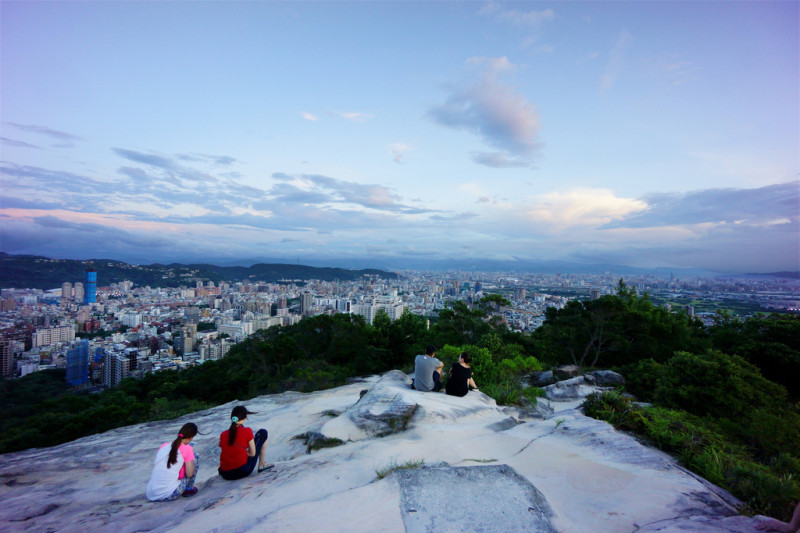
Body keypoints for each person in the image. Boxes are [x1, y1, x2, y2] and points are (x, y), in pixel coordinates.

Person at [146, 422, 200, 501]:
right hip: (169, 494)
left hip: (151, 494)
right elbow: (189, 474)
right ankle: (188, 489)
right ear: (191, 437)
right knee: (195, 456)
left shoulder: (164, 446)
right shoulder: (187, 449)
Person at [218, 405, 272, 480]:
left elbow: (227, 451)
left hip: (225, 473)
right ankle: (262, 464)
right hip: (242, 471)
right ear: (244, 418)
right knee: (262, 433)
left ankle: (262, 464)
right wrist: (245, 453)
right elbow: (252, 453)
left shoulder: (223, 434)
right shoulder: (247, 431)